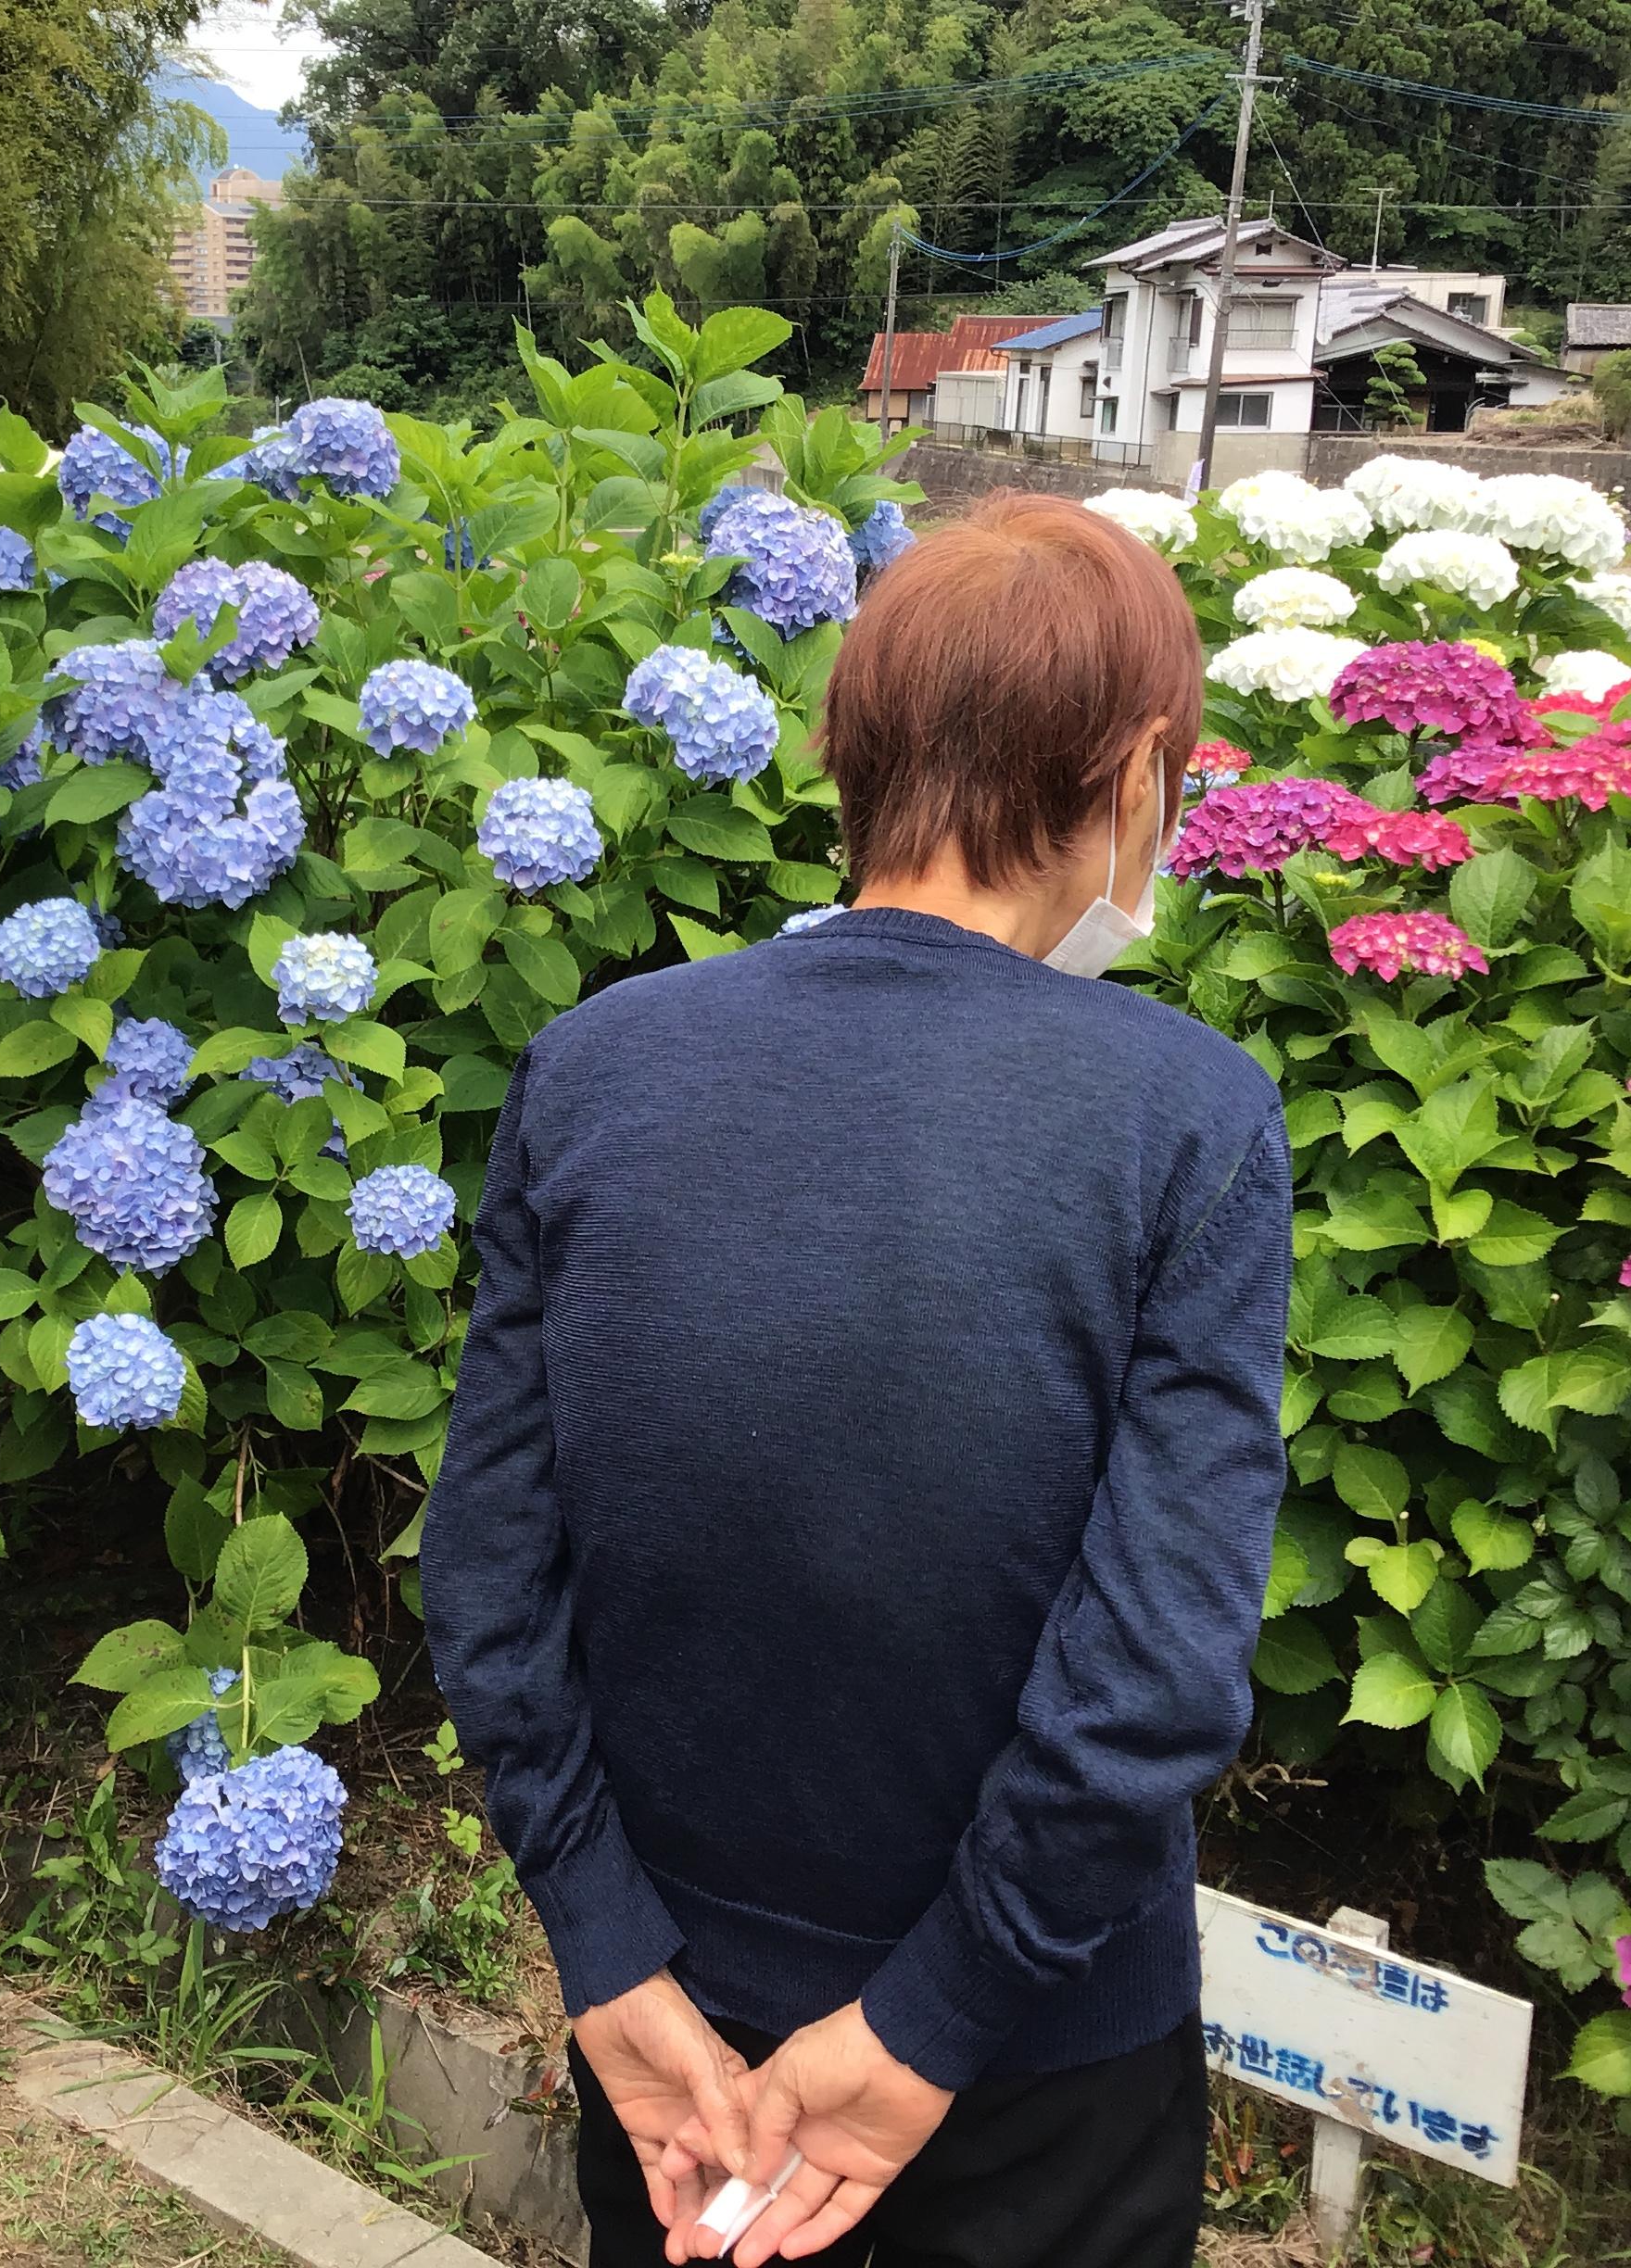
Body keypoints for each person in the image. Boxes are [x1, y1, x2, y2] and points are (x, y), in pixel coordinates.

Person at [424, 491, 1291, 2268]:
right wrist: (931, 2024)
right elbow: (1152, 1674)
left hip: (677, 2046)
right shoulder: (1187, 1117)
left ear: (848, 754)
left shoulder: (593, 1068)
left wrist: (603, 1950)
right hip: (1035, 2054)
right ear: (1139, 773)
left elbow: (490, 1576)